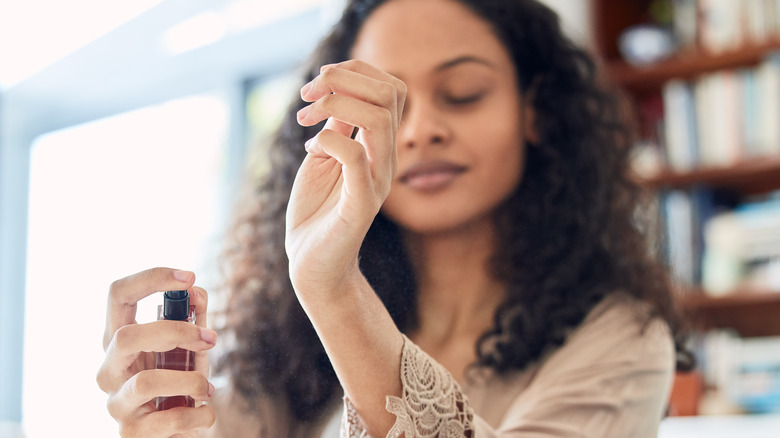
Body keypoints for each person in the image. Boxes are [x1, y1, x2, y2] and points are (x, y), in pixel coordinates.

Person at [97, 0, 693, 436]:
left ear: (534, 112)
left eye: (463, 93)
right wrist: (168, 411)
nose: (422, 129)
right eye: (387, 105)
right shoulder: (293, 344)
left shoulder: (620, 341)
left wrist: (334, 290)